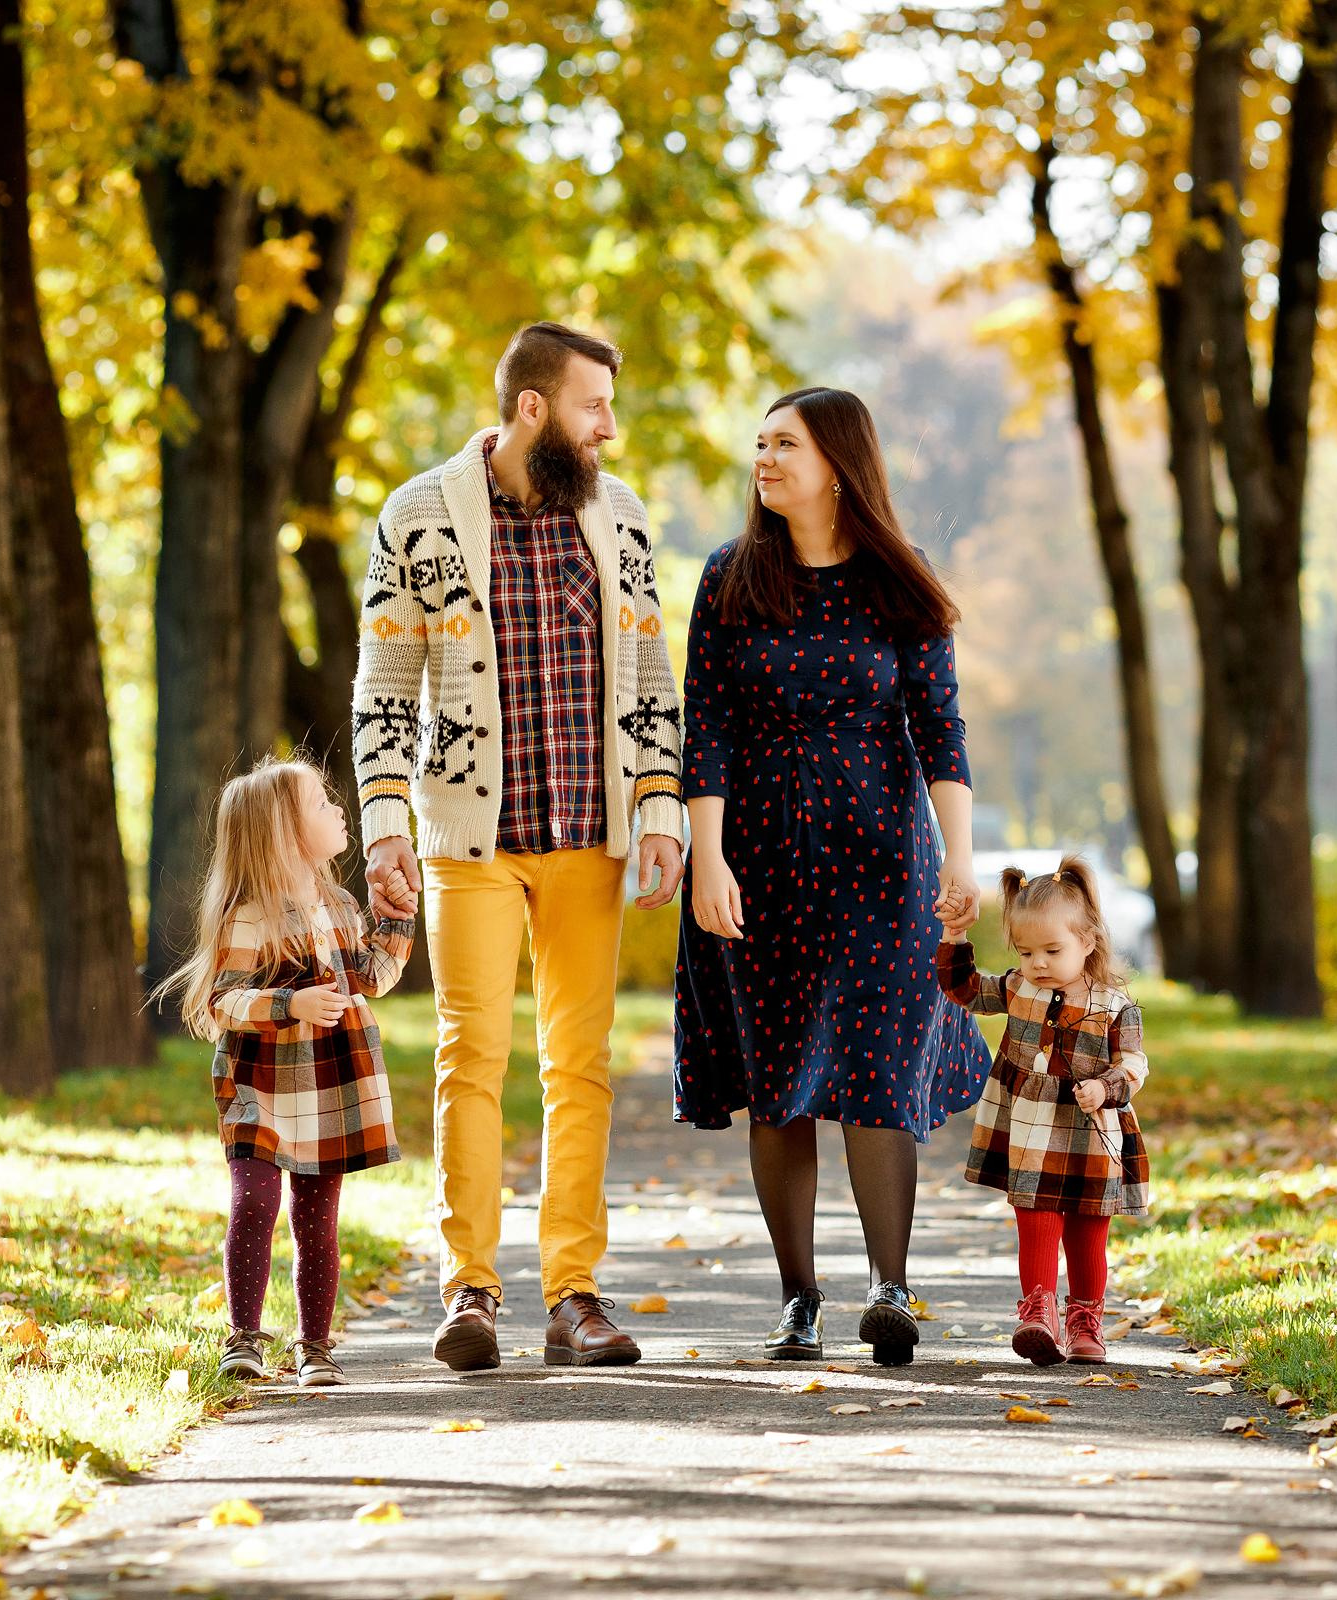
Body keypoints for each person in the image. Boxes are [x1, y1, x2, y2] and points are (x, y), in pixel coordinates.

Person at [350, 321, 686, 1371]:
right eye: (594, 408)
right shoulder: (419, 516)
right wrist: (385, 823)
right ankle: (471, 1290)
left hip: (591, 835)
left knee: (578, 1066)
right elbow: (384, 685)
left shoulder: (618, 516)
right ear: (533, 409)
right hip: (469, 836)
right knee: (471, 1057)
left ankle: (574, 1292)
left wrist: (662, 814)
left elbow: (652, 676)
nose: (608, 430)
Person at [674, 385, 990, 1367]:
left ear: (839, 463)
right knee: (781, 1085)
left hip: (881, 855)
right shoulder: (730, 575)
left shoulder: (899, 581)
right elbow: (709, 727)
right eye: (760, 442)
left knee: (877, 1069)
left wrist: (960, 855)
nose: (762, 458)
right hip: (759, 856)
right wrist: (708, 857)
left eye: (785, 444)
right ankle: (799, 1298)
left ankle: (890, 1287)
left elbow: (940, 725)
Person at [152, 758, 414, 1389]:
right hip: (260, 1088)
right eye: (323, 805)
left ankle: (315, 1346)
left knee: (316, 1219)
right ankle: (244, 1337)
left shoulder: (341, 905)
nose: (339, 811)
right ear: (286, 832)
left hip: (326, 1084)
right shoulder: (249, 916)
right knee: (255, 1201)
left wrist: (397, 918)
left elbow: (373, 977)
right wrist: (289, 1004)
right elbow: (221, 1002)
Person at [936, 858, 1151, 1366]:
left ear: (1088, 943)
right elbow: (963, 989)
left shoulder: (1115, 1007)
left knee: (1086, 1233)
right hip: (1031, 1132)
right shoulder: (1018, 989)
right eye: (1027, 951)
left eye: (1052, 951)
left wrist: (1106, 1087)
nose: (1038, 963)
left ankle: (1085, 1322)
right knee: (1034, 1220)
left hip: (1092, 1137)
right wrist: (954, 935)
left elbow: (1135, 1065)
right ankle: (1038, 1312)